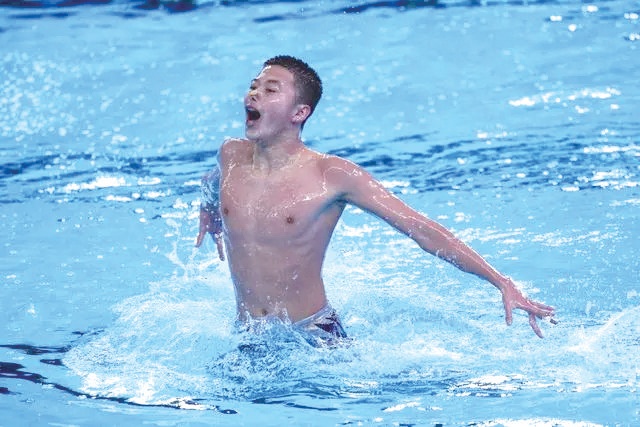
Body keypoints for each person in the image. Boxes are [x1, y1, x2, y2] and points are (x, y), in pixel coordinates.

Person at [195, 55, 555, 345]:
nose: (253, 94)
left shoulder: (331, 174)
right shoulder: (231, 154)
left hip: (313, 336)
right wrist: (209, 211)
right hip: (249, 335)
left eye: (270, 90)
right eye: (253, 86)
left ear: (299, 112)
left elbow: (420, 228)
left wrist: (500, 281)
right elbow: (212, 181)